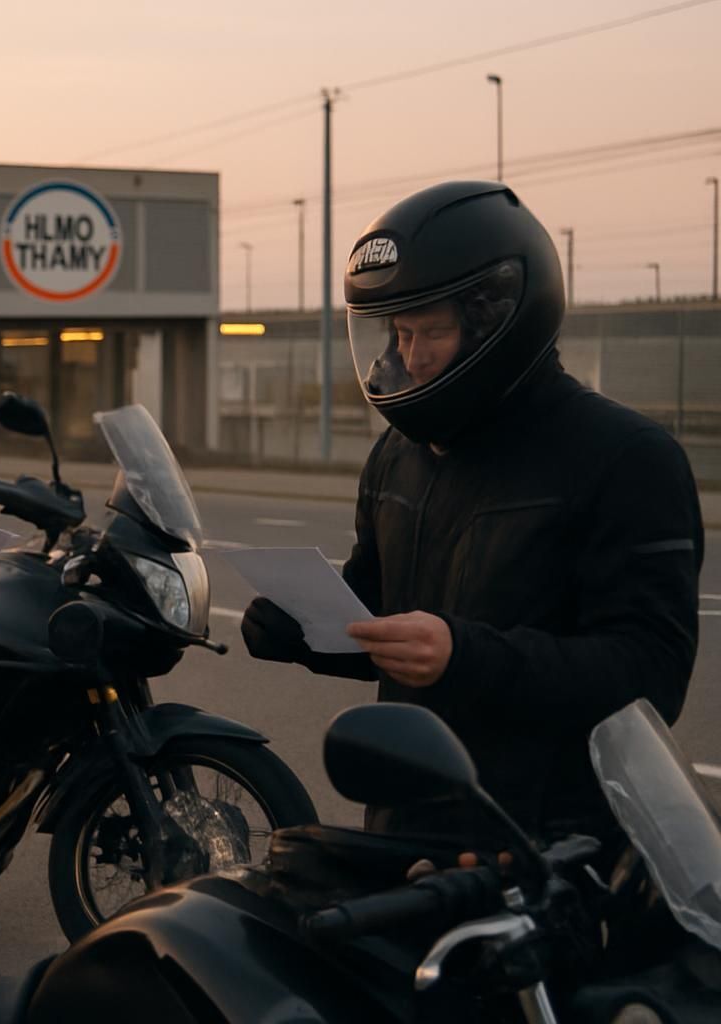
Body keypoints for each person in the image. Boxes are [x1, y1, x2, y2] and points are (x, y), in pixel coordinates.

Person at [241, 181, 703, 850]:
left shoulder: (626, 457)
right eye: (400, 332)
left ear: (499, 321)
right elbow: (385, 621)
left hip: (555, 854)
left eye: (433, 330)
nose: (410, 354)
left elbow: (649, 674)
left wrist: (469, 657)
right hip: (411, 829)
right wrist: (302, 631)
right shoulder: (397, 457)